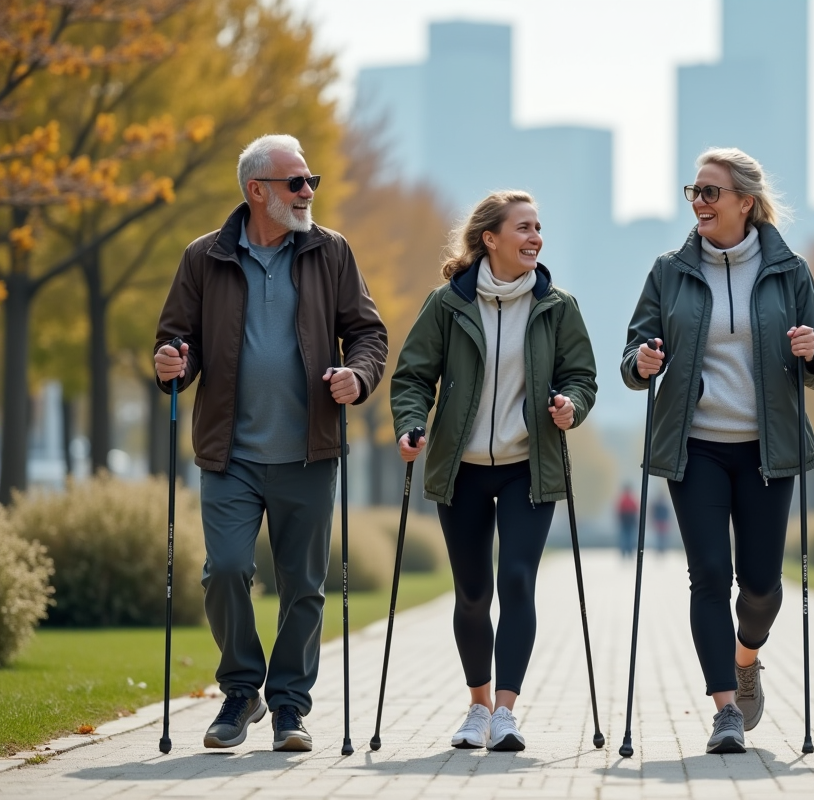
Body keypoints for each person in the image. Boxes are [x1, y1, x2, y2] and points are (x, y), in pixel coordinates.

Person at [153, 134, 388, 752]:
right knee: (224, 571)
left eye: (311, 181)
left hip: (308, 450)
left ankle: (289, 707)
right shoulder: (203, 257)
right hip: (229, 453)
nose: (308, 192)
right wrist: (171, 362)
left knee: (303, 586)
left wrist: (357, 376)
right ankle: (240, 691)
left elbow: (367, 332)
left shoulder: (330, 252)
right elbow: (178, 338)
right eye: (295, 183)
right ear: (257, 190)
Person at [621, 147, 814, 754]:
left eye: (711, 192)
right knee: (710, 575)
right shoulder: (670, 270)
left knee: (762, 584)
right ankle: (725, 711)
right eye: (693, 191)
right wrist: (642, 363)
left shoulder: (789, 271)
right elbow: (633, 357)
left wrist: (808, 353)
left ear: (746, 200)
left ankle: (747, 658)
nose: (698, 202)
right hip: (696, 449)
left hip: (769, 449)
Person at [391, 190, 598, 752]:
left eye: (538, 228)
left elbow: (582, 376)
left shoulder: (558, 307)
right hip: (462, 470)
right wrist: (411, 424)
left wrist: (570, 406)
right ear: (491, 239)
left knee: (517, 581)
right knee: (473, 593)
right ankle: (477, 706)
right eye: (524, 228)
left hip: (527, 468)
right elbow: (412, 376)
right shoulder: (448, 305)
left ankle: (506, 711)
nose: (535, 237)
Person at [616, 484, 639, 557]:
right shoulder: (629, 499)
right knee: (628, 537)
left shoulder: (624, 499)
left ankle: (626, 551)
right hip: (627, 521)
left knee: (626, 537)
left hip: (626, 521)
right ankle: (627, 551)